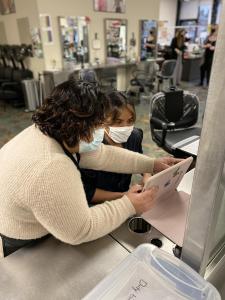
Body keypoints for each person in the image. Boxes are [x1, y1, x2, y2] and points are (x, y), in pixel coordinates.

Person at [0, 79, 180, 257]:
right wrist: (129, 204)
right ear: (80, 127)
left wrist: (151, 164)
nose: (102, 130)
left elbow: (105, 155)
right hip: (23, 235)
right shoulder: (52, 166)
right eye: (99, 125)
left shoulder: (54, 130)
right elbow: (80, 230)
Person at [81, 91, 151, 204]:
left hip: (124, 197)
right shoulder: (91, 146)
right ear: (102, 121)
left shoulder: (134, 136)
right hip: (97, 205)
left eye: (130, 121)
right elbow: (87, 192)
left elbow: (140, 158)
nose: (125, 127)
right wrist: (123, 196)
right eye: (118, 122)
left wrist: (147, 176)